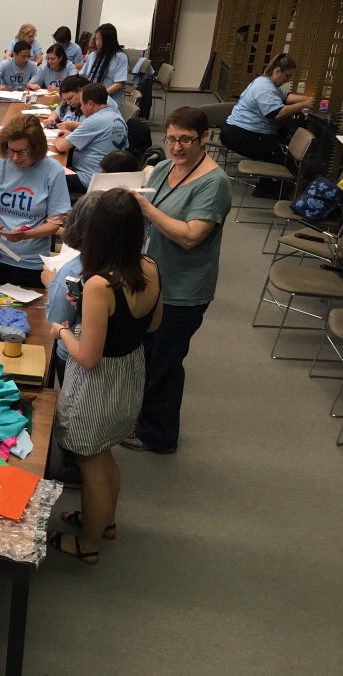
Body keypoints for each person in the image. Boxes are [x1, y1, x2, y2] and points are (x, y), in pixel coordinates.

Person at [49, 189, 163, 564]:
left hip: (98, 389)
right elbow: (154, 323)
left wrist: (63, 331)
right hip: (129, 376)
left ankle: (89, 544)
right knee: (105, 457)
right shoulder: (149, 265)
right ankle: (106, 523)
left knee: (90, 463)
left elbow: (88, 357)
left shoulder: (98, 284)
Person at [124, 106, 232, 454]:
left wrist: (146, 209)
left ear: (204, 139)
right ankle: (144, 420)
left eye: (186, 139)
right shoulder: (165, 169)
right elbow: (144, 219)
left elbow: (189, 236)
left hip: (184, 289)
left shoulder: (215, 183)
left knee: (165, 363)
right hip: (151, 280)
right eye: (171, 138)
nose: (177, 147)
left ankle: (159, 435)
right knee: (147, 354)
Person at [0, 115, 70, 288]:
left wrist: (24, 236)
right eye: (10, 150)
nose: (14, 158)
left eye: (22, 152)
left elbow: (54, 224)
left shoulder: (53, 171)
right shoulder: (0, 166)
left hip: (31, 263)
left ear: (37, 149)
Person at [42, 191, 103, 383]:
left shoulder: (72, 275)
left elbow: (59, 320)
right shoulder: (141, 266)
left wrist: (53, 285)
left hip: (77, 359)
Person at [222, 52, 315, 164]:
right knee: (283, 159)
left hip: (239, 131)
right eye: (288, 76)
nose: (289, 80)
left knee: (283, 142)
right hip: (242, 134)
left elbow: (286, 97)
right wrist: (304, 105)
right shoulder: (265, 87)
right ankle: (273, 179)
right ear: (277, 71)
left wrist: (308, 99)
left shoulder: (266, 82)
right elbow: (277, 114)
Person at [54, 83, 129, 195]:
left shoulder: (94, 120)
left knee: (49, 174)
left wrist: (56, 137)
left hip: (88, 179)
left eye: (82, 105)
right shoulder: (117, 117)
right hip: (109, 178)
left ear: (90, 104)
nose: (81, 108)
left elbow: (61, 146)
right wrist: (71, 134)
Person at [44, 75, 118, 129]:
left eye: (70, 98)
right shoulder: (68, 102)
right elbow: (57, 112)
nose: (67, 103)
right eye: (65, 100)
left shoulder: (101, 100)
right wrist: (51, 118)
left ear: (80, 90)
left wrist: (75, 125)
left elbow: (99, 127)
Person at [80, 23, 129, 104]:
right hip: (90, 101)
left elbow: (119, 84)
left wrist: (98, 96)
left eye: (102, 40)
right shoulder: (93, 55)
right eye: (96, 39)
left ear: (110, 41)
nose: (98, 43)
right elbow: (83, 77)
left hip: (109, 102)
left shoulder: (120, 57)